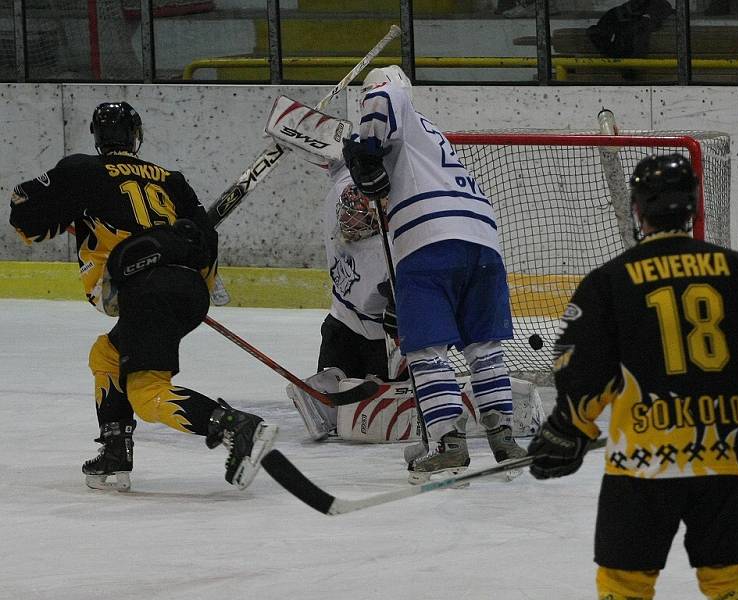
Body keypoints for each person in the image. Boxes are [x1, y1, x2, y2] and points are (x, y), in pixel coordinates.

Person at [526, 153, 738, 599]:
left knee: (625, 583)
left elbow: (584, 367)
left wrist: (569, 428)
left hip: (642, 462)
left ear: (638, 209)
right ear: (692, 205)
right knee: (730, 580)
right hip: (726, 453)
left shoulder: (610, 281)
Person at [9, 101, 277, 492]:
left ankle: (235, 426)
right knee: (107, 355)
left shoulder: (82, 170)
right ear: (136, 137)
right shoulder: (171, 179)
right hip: (185, 289)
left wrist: (64, 214)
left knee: (147, 392)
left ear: (97, 137)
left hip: (146, 288)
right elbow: (206, 239)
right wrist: (195, 285)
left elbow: (24, 218)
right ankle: (115, 452)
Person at [342, 65, 527, 483]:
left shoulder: (394, 103)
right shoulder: (430, 138)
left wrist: (366, 146)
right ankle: (504, 439)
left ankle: (448, 445)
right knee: (483, 345)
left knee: (426, 350)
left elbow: (384, 95)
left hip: (430, 241)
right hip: (482, 240)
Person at [287, 160, 406, 440]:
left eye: (360, 213)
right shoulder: (341, 194)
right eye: (349, 207)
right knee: (329, 414)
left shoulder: (396, 249)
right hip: (341, 325)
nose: (347, 218)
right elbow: (335, 158)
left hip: (383, 340)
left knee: (368, 419)